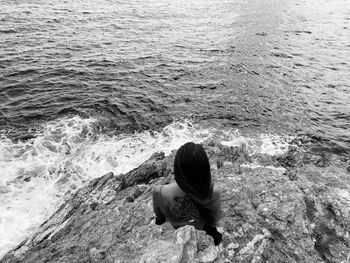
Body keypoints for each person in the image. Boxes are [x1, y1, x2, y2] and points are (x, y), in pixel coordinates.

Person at [152, 142, 222, 245]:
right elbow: (214, 220)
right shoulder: (213, 192)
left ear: (177, 168)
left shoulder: (159, 192)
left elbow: (160, 219)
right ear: (205, 170)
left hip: (174, 235)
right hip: (204, 234)